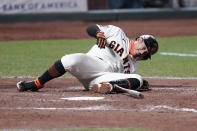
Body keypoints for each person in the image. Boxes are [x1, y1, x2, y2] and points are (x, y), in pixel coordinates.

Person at [16, 24, 158, 94]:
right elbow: (91, 28)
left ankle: (108, 88)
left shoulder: (133, 66)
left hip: (101, 79)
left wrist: (136, 83)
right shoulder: (117, 33)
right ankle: (36, 83)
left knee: (138, 78)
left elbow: (128, 80)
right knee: (69, 60)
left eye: (146, 53)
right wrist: (98, 34)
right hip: (92, 64)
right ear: (139, 39)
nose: (143, 51)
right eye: (144, 46)